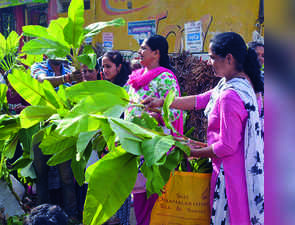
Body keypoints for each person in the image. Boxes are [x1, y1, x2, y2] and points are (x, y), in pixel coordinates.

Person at [143, 32, 264, 225]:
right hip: (242, 169)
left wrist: (191, 152)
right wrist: (162, 102)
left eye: (212, 58)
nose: (209, 63)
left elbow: (226, 147)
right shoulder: (238, 84)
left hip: (231, 176)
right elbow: (200, 100)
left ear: (229, 59)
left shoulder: (229, 95)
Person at [125, 35, 183, 225]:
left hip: (156, 149)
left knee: (154, 199)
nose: (140, 52)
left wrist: (156, 115)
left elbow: (174, 111)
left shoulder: (165, 77)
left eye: (144, 48)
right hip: (136, 147)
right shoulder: (135, 79)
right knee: (139, 196)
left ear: (156, 53)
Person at [30, 56, 83, 223]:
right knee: (41, 175)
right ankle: (40, 217)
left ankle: (71, 216)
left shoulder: (69, 70)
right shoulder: (38, 67)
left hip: (63, 129)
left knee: (67, 176)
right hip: (41, 128)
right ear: (47, 54)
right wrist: (66, 79)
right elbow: (41, 82)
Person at [100, 50, 132, 225]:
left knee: (121, 187)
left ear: (119, 67)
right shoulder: (107, 86)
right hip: (109, 142)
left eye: (108, 66)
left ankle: (123, 221)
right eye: (103, 66)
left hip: (122, 141)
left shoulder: (126, 88)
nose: (105, 70)